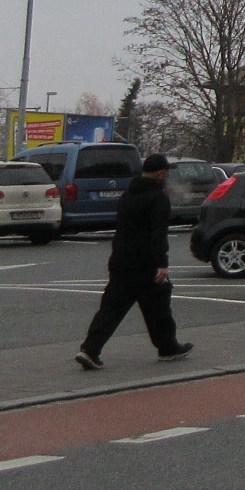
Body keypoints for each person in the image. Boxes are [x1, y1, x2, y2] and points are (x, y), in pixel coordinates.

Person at [75, 153, 192, 370]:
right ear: (161, 174)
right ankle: (168, 348)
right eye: (166, 174)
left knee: (110, 309)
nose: (167, 177)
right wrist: (162, 264)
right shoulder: (158, 198)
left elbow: (122, 228)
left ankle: (89, 350)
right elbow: (158, 234)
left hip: (121, 260)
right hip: (145, 264)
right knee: (158, 308)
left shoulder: (127, 195)